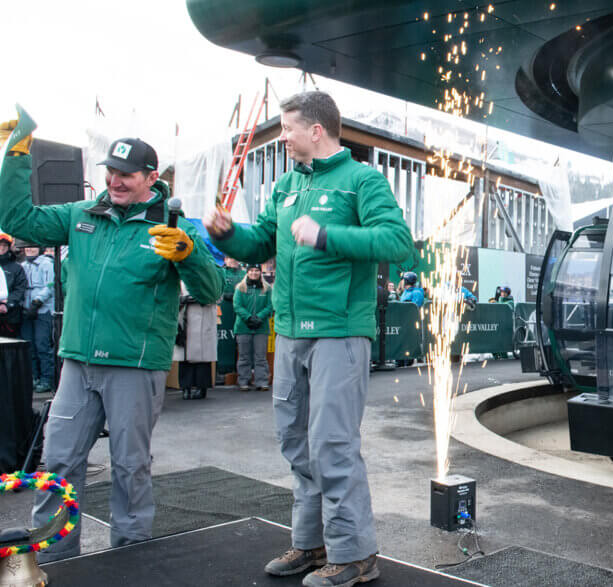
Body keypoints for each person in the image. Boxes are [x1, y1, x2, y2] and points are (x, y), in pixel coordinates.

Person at [204, 90, 413, 587]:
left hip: (340, 333)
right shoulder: (285, 187)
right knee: (295, 441)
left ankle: (356, 554)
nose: (283, 137)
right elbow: (260, 243)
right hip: (292, 331)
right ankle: (312, 544)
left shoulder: (361, 180)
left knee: (332, 444)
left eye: (287, 128)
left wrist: (325, 235)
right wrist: (227, 234)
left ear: (315, 130)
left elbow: (397, 242)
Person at [0, 118, 222, 562]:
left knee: (129, 466)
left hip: (135, 367)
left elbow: (213, 290)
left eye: (127, 174)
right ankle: (56, 561)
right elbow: (15, 217)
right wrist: (16, 155)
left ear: (151, 178)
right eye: (111, 172)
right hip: (78, 364)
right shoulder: (82, 215)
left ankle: (130, 559)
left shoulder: (173, 226)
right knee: (58, 464)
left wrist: (190, 254)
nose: (115, 181)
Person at [18, 240, 55, 392]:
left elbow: (50, 285)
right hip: (26, 310)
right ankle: (33, 376)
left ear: (39, 248)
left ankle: (47, 379)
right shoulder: (23, 266)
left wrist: (37, 301)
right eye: (27, 247)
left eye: (33, 247)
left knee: (42, 345)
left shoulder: (47, 264)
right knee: (29, 345)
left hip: (42, 310)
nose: (30, 249)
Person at [233, 263, 273, 390]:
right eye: (251, 270)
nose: (254, 273)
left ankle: (261, 382)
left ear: (260, 272)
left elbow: (270, 306)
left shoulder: (267, 289)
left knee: (260, 357)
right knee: (244, 357)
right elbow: (237, 306)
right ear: (247, 272)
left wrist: (260, 317)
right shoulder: (240, 288)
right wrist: (249, 317)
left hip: (261, 328)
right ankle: (244, 381)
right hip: (243, 327)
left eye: (256, 270)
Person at [0, 233, 28, 339]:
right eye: (0, 245)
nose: (2, 248)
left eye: (5, 246)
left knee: (10, 349)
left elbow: (20, 289)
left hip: (10, 316)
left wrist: (7, 304)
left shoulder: (17, 268)